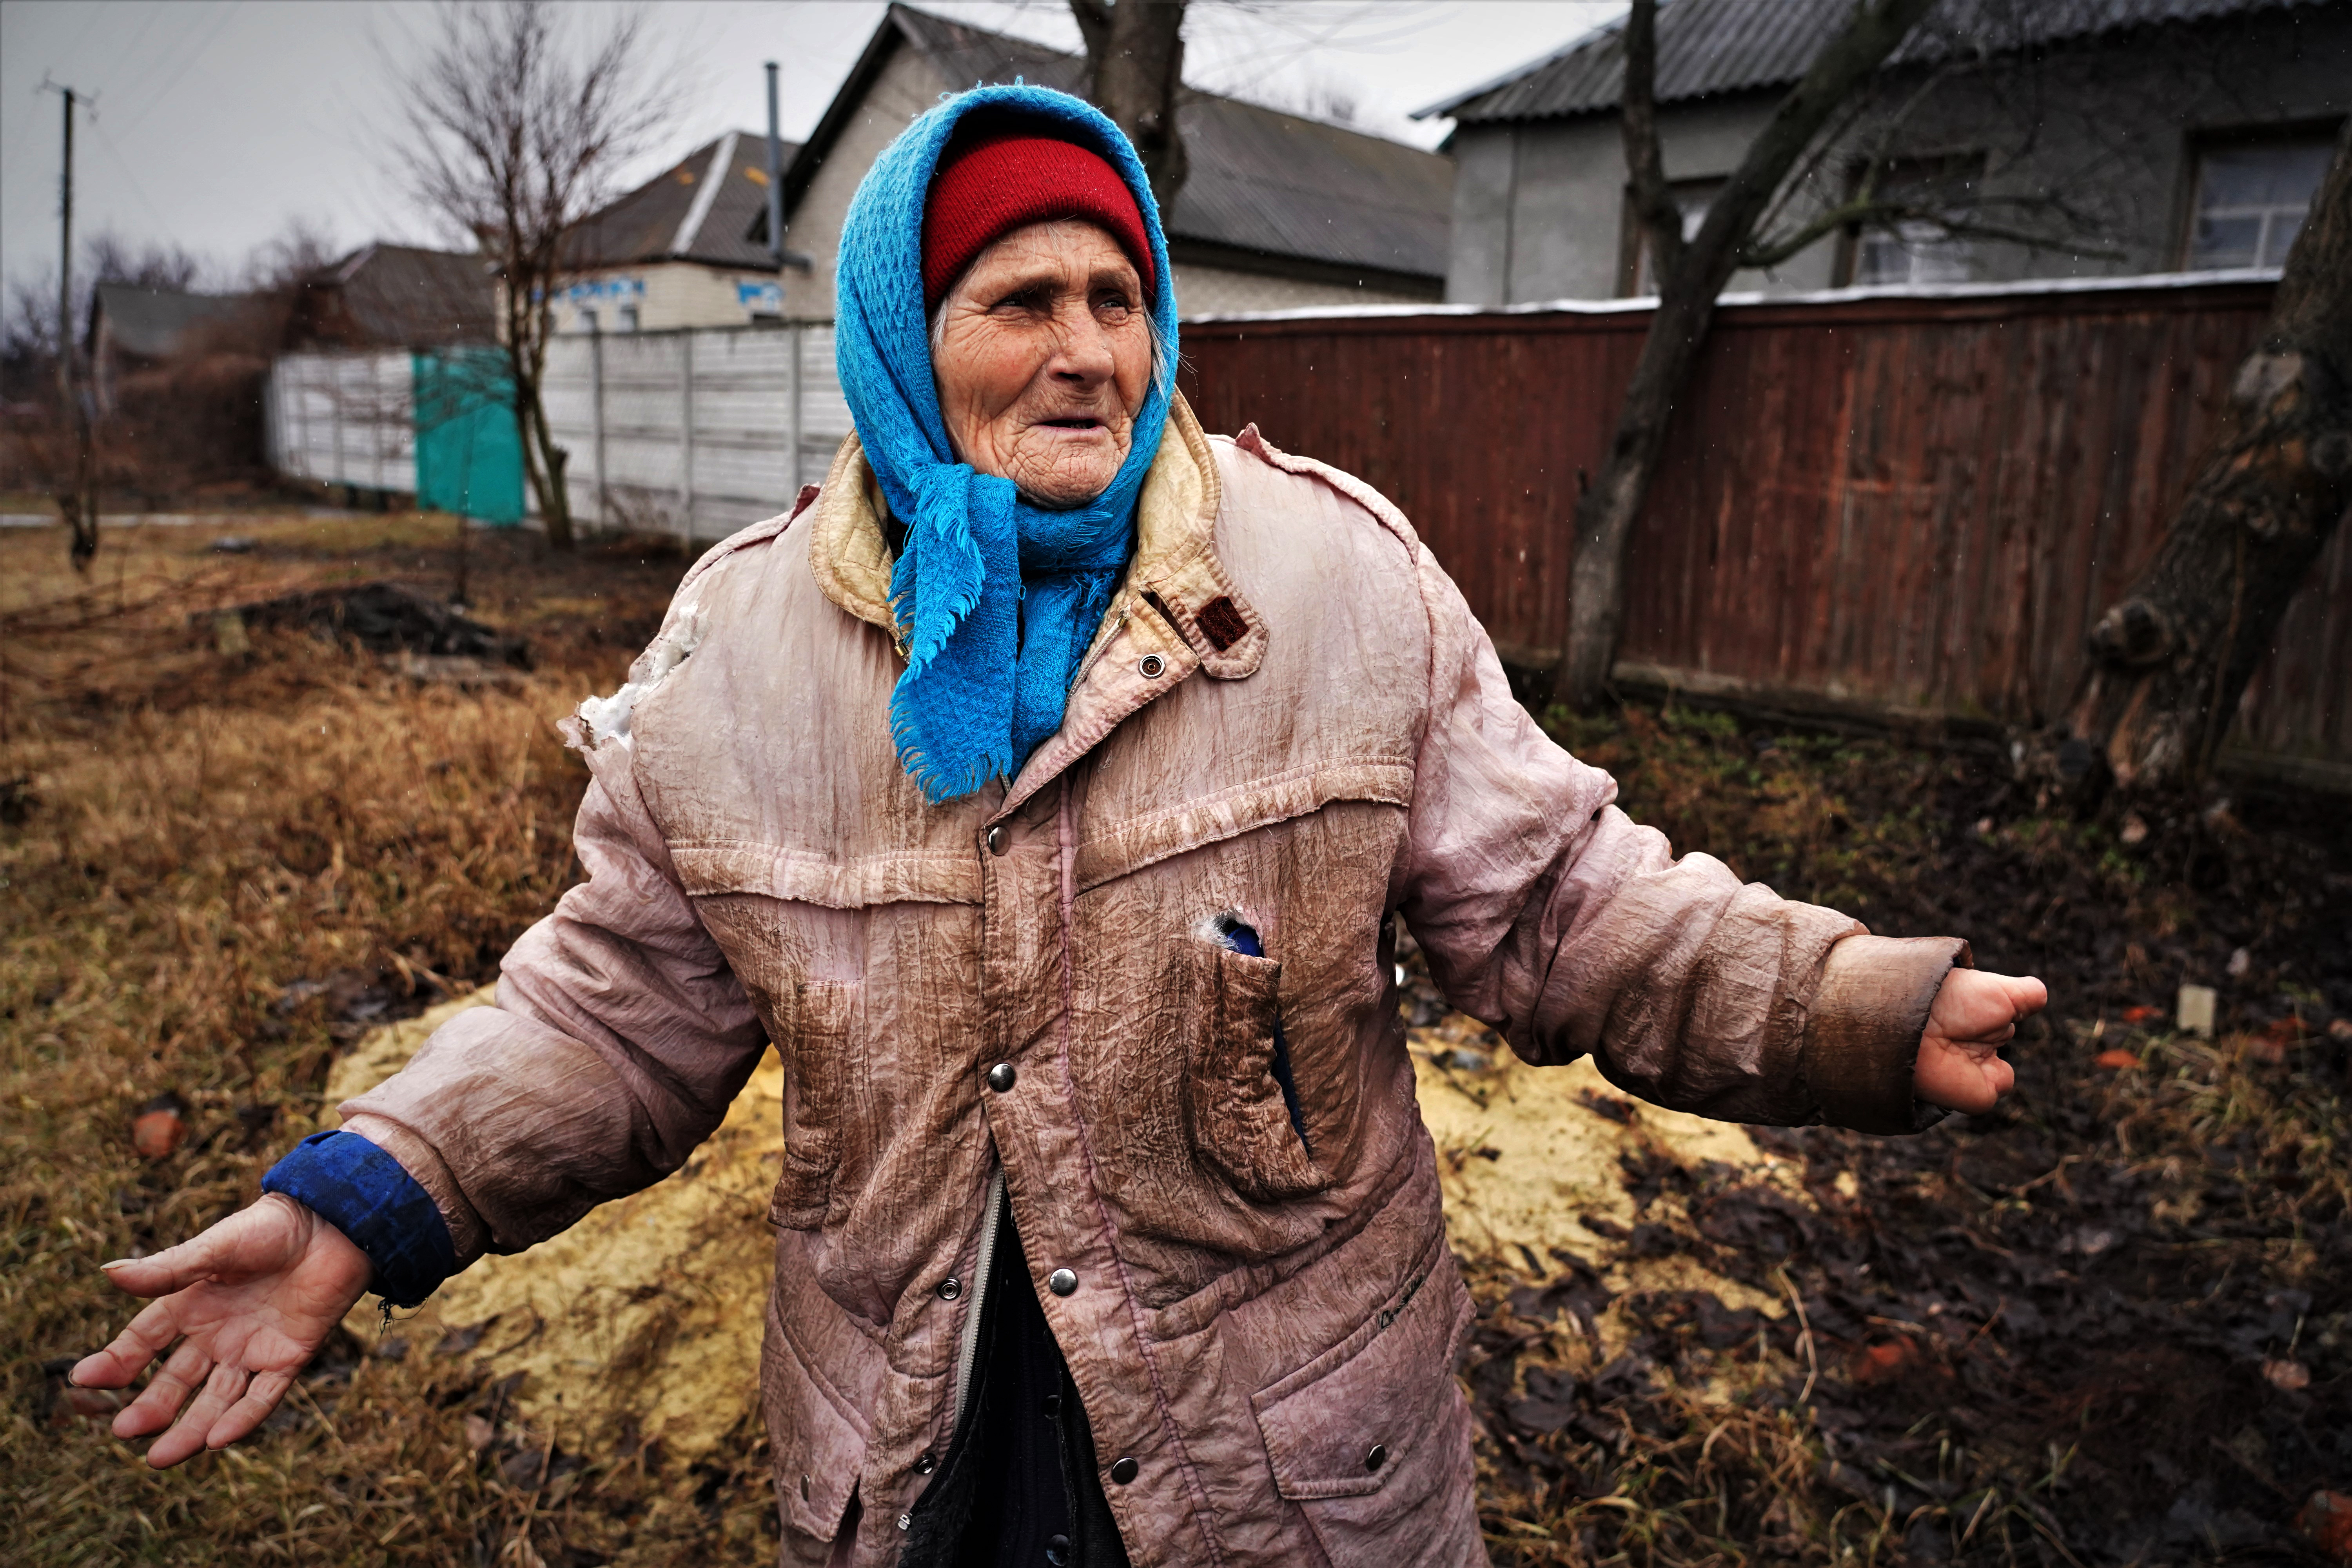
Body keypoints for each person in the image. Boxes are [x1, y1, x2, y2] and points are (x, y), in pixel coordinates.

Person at [72, 85, 2045, 1568]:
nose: (1089, 348)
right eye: (1020, 296)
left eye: (1120, 293)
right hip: (913, 1452)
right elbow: (611, 1014)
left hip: (1288, 1463)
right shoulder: (739, 650)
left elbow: (1562, 901)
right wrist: (365, 1195)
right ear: (900, 337)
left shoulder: (1334, 585)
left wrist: (1851, 1007)